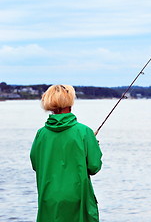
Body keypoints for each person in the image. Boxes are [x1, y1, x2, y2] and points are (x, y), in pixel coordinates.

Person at [30, 84, 102, 222]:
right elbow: (94, 166)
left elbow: (35, 164)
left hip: (48, 199)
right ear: (70, 102)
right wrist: (93, 146)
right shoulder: (84, 132)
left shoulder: (41, 134)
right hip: (78, 199)